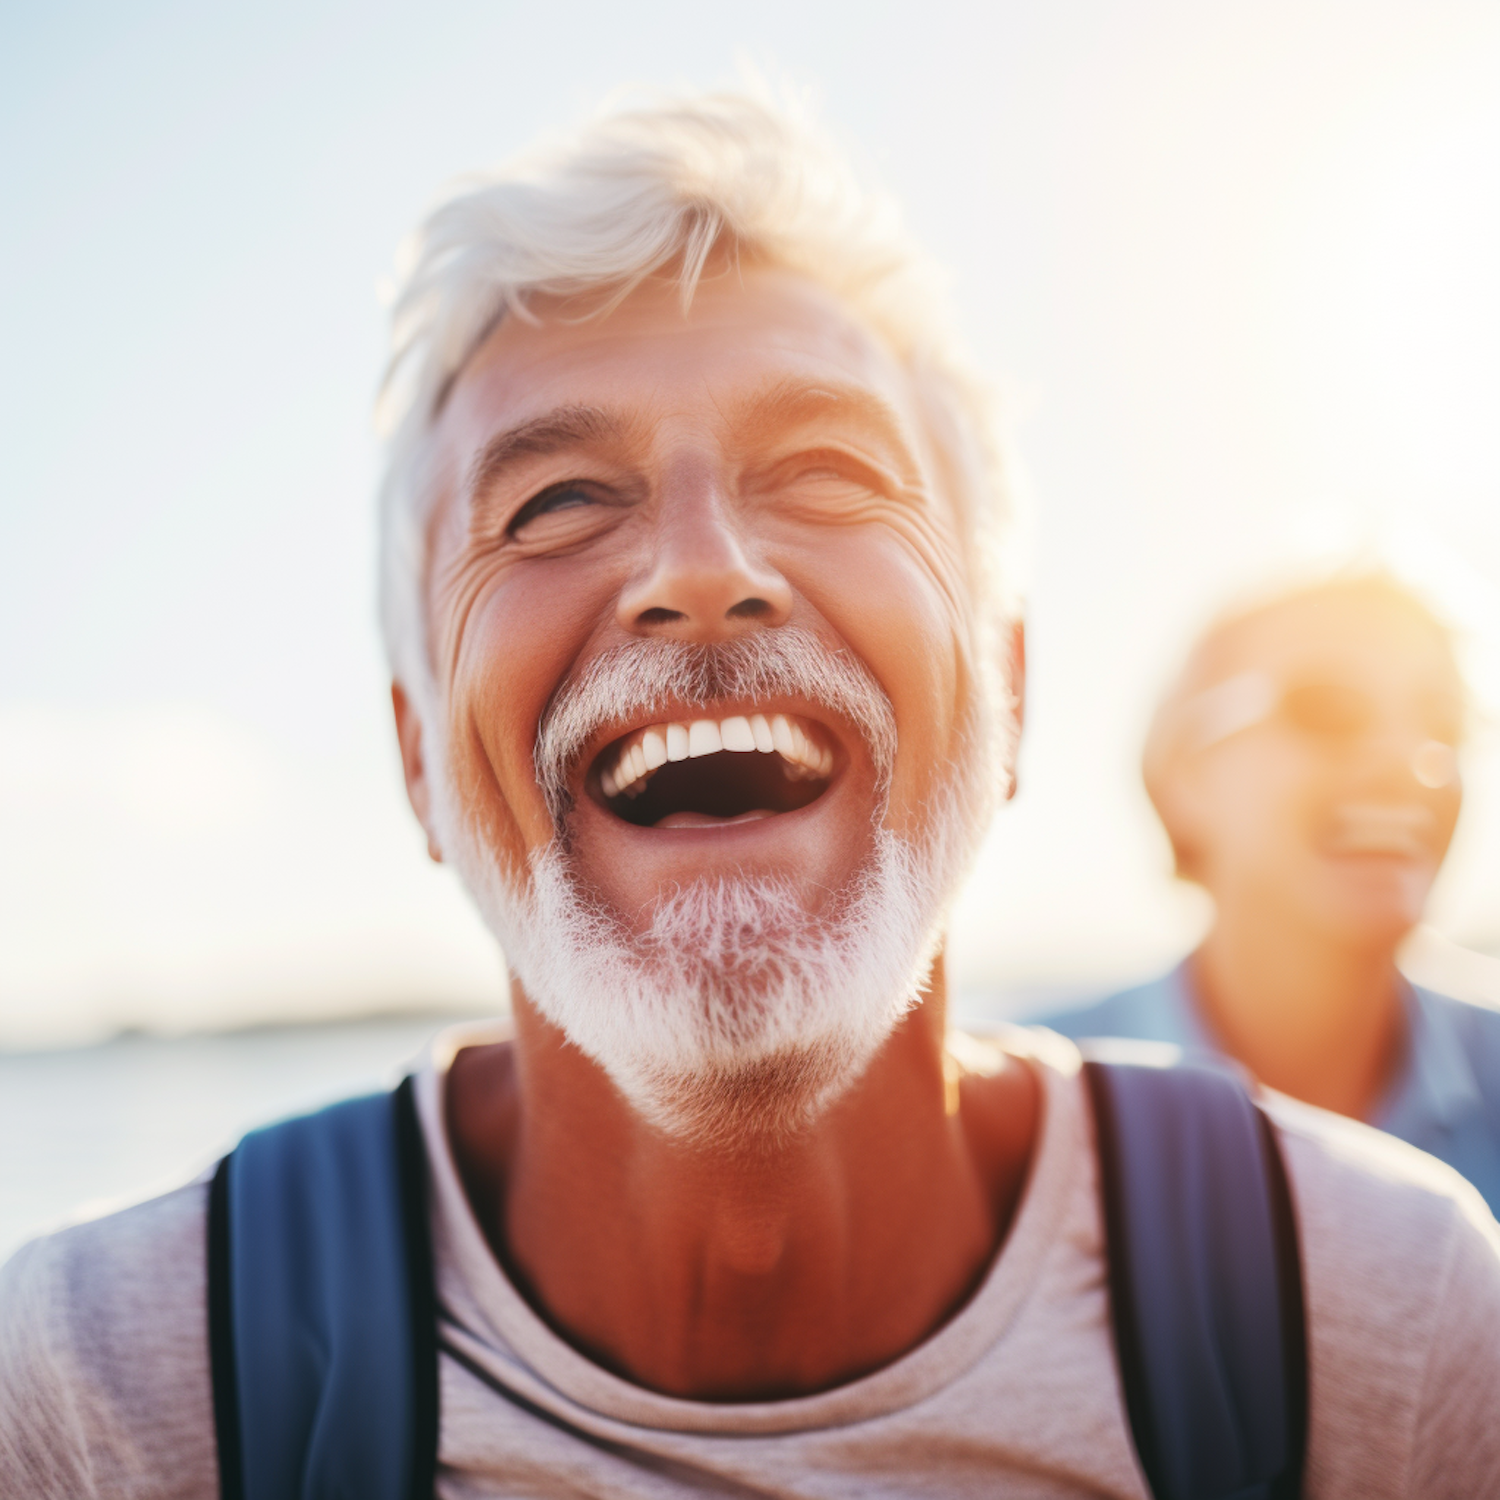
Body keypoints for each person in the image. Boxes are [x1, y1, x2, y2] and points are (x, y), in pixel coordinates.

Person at [3, 93, 1499, 1499]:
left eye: (830, 472)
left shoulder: (1388, 1314)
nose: (702, 569)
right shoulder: (99, 1394)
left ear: (1010, 685)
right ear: (416, 757)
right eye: (557, 502)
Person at [1041, 575, 1500, 1214]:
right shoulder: (1027, 1106)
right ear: (1188, 773)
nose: (1409, 760)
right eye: (1329, 710)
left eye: (1446, 723)